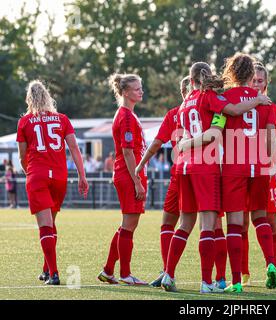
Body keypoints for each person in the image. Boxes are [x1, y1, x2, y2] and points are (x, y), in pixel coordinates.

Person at [161, 61, 272, 293]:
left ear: (190, 81)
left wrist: (183, 145)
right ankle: (206, 282)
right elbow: (223, 121)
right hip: (205, 165)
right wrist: (257, 100)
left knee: (185, 223)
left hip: (183, 167)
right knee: (209, 225)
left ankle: (168, 274)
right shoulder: (208, 96)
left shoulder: (184, 104)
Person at [16, 80, 88, 285]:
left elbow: (22, 156)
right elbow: (74, 148)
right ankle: (46, 270)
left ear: (28, 98)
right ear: (48, 96)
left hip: (37, 176)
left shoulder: (24, 122)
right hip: (59, 177)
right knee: (51, 223)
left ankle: (54, 274)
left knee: (46, 226)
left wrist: (28, 172)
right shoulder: (62, 119)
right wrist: (82, 176)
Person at [135, 75, 190, 287]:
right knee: (207, 227)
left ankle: (169, 271)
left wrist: (141, 164)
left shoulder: (176, 114)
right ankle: (212, 279)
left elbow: (157, 143)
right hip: (198, 173)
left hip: (184, 172)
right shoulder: (206, 109)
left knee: (175, 223)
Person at [240, 61, 276, 287]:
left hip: (248, 167)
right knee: (249, 222)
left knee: (269, 221)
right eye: (253, 81)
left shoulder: (246, 103)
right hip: (258, 167)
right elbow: (272, 141)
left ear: (267, 83)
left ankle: (272, 266)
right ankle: (245, 271)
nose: (256, 84)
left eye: (260, 81)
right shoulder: (264, 106)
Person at [98, 73, 148, 286]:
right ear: (125, 92)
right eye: (136, 89)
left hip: (129, 174)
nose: (141, 91)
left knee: (128, 225)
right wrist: (137, 181)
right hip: (128, 175)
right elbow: (128, 152)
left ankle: (109, 270)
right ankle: (125, 274)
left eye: (140, 88)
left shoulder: (128, 114)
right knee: (129, 224)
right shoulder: (126, 116)